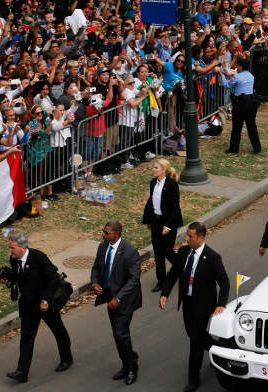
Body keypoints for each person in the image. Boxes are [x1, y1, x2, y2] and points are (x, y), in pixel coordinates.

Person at [159, 222, 230, 392]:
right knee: (192, 332)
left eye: (190, 236)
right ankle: (218, 350)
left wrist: (221, 305)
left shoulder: (212, 257)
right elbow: (173, 274)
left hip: (204, 305)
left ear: (201, 238)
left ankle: (193, 379)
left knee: (195, 341)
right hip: (188, 302)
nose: (187, 239)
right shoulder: (184, 252)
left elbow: (225, 283)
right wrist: (164, 294)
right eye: (187, 235)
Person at [4, 233, 73, 383]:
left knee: (58, 331)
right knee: (26, 338)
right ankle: (22, 372)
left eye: (13, 248)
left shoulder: (38, 257)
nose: (11, 251)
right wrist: (9, 281)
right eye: (10, 247)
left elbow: (53, 279)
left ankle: (67, 359)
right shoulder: (14, 259)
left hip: (44, 305)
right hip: (28, 305)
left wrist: (46, 300)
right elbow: (19, 277)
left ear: (23, 247)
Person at [90, 220, 142, 385]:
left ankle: (132, 367)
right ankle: (127, 362)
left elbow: (134, 280)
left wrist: (118, 298)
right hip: (109, 298)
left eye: (106, 232)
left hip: (125, 300)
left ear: (116, 234)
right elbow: (96, 268)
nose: (103, 234)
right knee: (118, 334)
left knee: (120, 333)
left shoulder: (130, 252)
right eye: (103, 231)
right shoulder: (102, 247)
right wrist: (95, 284)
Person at [142, 158, 183, 292]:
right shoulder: (153, 182)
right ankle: (162, 281)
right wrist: (148, 220)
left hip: (168, 222)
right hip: (156, 222)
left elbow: (175, 207)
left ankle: (182, 268)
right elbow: (151, 202)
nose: (153, 170)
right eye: (153, 167)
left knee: (167, 251)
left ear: (163, 170)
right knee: (158, 253)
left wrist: (168, 226)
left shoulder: (172, 185)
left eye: (156, 168)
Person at [222, 57, 261, 154]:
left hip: (240, 103)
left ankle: (234, 148)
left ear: (240, 66)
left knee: (237, 127)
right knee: (252, 126)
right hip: (252, 102)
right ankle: (257, 148)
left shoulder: (237, 77)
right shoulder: (251, 76)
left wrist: (222, 75)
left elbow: (227, 85)